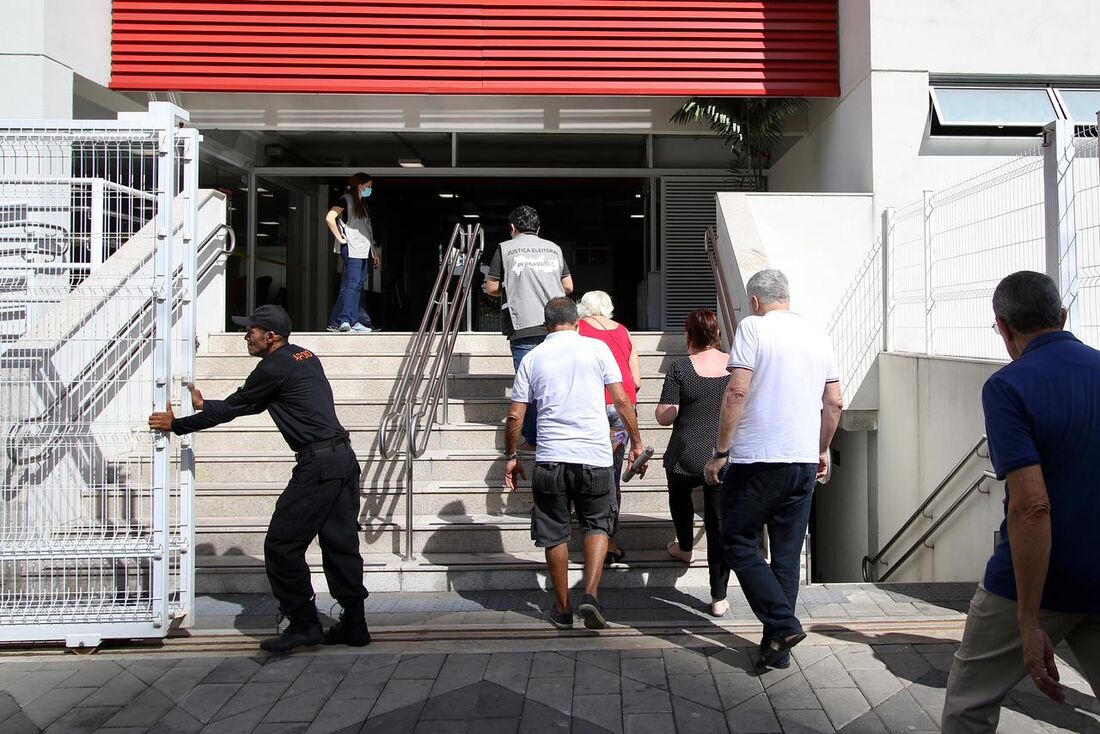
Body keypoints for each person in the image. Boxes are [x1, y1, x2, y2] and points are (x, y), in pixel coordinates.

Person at [148, 305, 369, 654]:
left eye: (251, 330)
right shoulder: (305, 356)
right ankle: (355, 625)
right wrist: (206, 404)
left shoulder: (273, 366)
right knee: (340, 543)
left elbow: (239, 407)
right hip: (343, 458)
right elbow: (253, 403)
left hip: (319, 466)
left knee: (282, 546)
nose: (246, 336)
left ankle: (303, 624)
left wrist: (176, 425)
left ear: (271, 336)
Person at [942, 271, 1100, 732]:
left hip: (1031, 579)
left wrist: (1029, 621)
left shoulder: (1008, 386)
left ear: (1005, 328)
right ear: (1063, 316)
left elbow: (1031, 507)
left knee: (969, 705)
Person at [703, 269, 843, 670]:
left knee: (736, 541)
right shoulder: (818, 334)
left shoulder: (753, 327)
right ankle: (776, 648)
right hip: (801, 462)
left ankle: (781, 623)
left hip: (757, 458)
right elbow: (834, 402)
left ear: (756, 302)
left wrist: (720, 450)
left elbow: (737, 389)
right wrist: (821, 449)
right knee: (786, 555)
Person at [504, 297, 646, 631]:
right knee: (597, 524)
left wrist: (511, 457)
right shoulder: (597, 350)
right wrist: (636, 441)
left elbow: (515, 416)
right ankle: (591, 595)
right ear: (577, 321)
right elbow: (622, 398)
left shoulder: (534, 357)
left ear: (545, 324)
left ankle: (563, 607)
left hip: (551, 459)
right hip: (595, 457)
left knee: (554, 534)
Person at [656, 308, 733, 617]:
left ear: (690, 335)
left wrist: (676, 408)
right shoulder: (734, 366)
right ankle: (718, 597)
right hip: (722, 454)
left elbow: (664, 415)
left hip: (685, 452)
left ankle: (685, 547)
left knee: (679, 495)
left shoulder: (680, 367)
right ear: (716, 335)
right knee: (717, 524)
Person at [485, 205, 573, 447]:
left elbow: (492, 288)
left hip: (522, 324)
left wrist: (514, 285)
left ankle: (534, 437)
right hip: (557, 325)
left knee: (529, 383)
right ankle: (560, 432)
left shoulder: (505, 248)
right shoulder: (554, 248)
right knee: (559, 379)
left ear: (513, 228)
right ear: (538, 228)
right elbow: (568, 287)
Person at [577, 290, 641, 565]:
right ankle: (609, 540)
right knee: (612, 475)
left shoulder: (578, 329)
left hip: (591, 407)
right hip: (622, 409)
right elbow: (636, 380)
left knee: (585, 471)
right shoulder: (624, 331)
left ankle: (591, 534)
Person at [325, 172, 380, 333]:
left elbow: (367, 230)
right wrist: (340, 238)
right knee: (352, 284)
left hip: (363, 248)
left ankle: (347, 320)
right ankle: (345, 319)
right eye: (368, 186)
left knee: (354, 285)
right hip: (352, 248)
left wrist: (374, 252)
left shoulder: (362, 203)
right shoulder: (346, 199)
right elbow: (330, 217)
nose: (369, 189)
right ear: (360, 185)